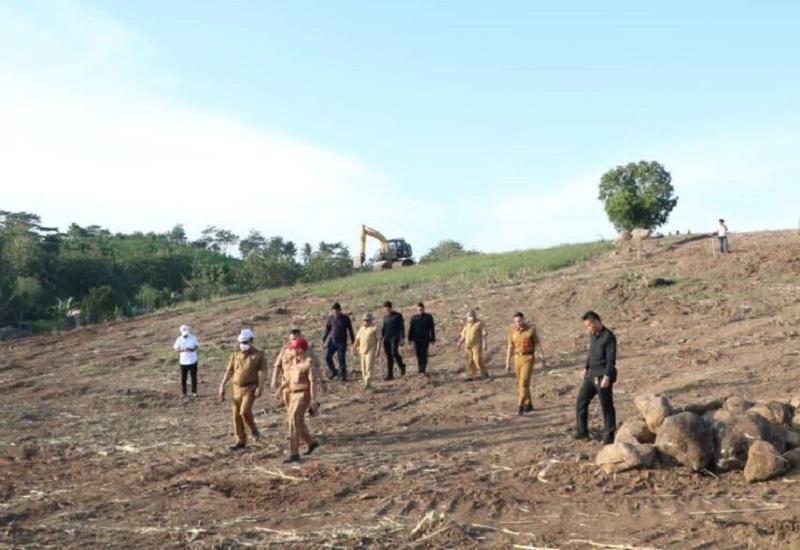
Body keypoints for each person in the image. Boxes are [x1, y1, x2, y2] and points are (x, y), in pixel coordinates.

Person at [218, 328, 268, 451]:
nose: (243, 345)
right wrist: (222, 385)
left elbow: (263, 372)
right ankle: (240, 440)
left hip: (250, 387)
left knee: (244, 411)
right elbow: (230, 370)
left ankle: (254, 430)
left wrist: (260, 387)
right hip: (236, 388)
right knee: (236, 415)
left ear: (252, 341)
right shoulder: (235, 354)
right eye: (241, 342)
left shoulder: (258, 355)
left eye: (245, 342)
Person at [575, 311, 618, 444]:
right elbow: (591, 354)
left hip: (603, 376)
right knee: (581, 402)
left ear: (595, 322)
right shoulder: (593, 335)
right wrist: (585, 368)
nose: (588, 328)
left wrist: (607, 377)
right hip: (591, 375)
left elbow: (611, 360)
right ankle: (582, 432)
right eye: (586, 326)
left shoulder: (608, 337)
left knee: (606, 406)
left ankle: (609, 436)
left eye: (588, 325)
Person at [277, 337, 320, 463]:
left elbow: (313, 382)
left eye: (294, 349)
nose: (292, 351)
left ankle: (294, 453)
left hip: (303, 395)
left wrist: (313, 399)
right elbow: (290, 380)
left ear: (300, 349)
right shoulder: (295, 363)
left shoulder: (308, 363)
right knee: (297, 422)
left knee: (294, 422)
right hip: (293, 394)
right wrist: (281, 388)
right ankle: (311, 443)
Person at [505, 312, 547, 415]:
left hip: (528, 357)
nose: (518, 323)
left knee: (523, 382)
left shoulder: (530, 330)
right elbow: (510, 347)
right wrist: (507, 361)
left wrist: (542, 358)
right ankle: (529, 404)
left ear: (523, 319)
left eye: (519, 320)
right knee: (521, 383)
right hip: (517, 358)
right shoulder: (512, 331)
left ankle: (520, 405)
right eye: (516, 321)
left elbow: (537, 344)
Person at [322, 302, 355, 381]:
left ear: (340, 310)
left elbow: (350, 330)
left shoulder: (345, 318)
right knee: (327, 357)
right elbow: (327, 329)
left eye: (336, 312)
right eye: (333, 312)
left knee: (341, 359)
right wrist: (323, 339)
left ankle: (343, 376)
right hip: (332, 342)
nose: (335, 313)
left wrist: (353, 342)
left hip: (342, 342)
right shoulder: (331, 318)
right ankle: (333, 371)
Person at [457, 310, 488, 381]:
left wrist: (485, 343)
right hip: (468, 346)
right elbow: (463, 335)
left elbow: (484, 334)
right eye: (468, 316)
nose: (470, 318)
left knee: (477, 359)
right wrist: (459, 343)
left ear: (475, 316)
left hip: (476, 345)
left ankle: (484, 373)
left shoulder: (480, 323)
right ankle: (471, 374)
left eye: (471, 316)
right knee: (469, 360)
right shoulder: (467, 325)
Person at [353, 313, 381, 389]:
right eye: (365, 320)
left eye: (368, 320)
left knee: (369, 367)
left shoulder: (375, 328)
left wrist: (377, 350)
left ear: (371, 320)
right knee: (363, 368)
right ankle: (366, 382)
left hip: (370, 350)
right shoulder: (361, 329)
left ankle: (368, 383)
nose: (366, 322)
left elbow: (379, 340)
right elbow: (357, 339)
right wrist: (354, 347)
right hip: (362, 350)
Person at [408, 302, 436, 375]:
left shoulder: (428, 317)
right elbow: (411, 329)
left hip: (425, 339)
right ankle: (419, 368)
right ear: (416, 310)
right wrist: (410, 338)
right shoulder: (414, 318)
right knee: (418, 354)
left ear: (424, 309)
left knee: (423, 353)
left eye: (421, 309)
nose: (420, 311)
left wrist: (432, 338)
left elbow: (432, 328)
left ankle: (423, 369)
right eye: (418, 309)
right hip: (416, 339)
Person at [381, 301, 406, 380]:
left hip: (395, 338)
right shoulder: (385, 317)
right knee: (389, 356)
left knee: (394, 353)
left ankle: (402, 366)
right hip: (386, 339)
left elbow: (401, 327)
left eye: (388, 308)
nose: (387, 310)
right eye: (385, 309)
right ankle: (390, 374)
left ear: (391, 308)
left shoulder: (398, 316)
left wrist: (402, 338)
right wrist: (381, 337)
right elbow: (384, 328)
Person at [173, 324, 199, 398]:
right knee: (183, 377)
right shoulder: (179, 339)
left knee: (193, 376)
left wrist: (191, 349)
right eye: (184, 334)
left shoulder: (193, 338)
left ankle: (194, 392)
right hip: (183, 361)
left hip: (193, 360)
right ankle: (184, 392)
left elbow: (196, 346)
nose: (186, 335)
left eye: (187, 333)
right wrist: (182, 350)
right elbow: (175, 348)